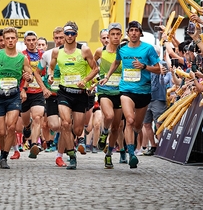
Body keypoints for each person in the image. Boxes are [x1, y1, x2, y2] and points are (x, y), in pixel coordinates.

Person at [99, 21, 161, 169]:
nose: (133, 33)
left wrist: (144, 66)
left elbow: (158, 69)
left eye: (136, 30)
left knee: (138, 126)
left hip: (144, 92)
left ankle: (130, 147)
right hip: (126, 90)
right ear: (128, 33)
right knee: (129, 120)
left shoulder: (148, 49)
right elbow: (115, 62)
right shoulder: (122, 49)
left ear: (140, 33)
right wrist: (107, 76)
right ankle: (131, 154)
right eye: (131, 30)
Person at [48, 21, 98, 170]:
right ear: (63, 34)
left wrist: (85, 80)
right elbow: (51, 67)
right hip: (64, 92)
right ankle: (71, 156)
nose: (69, 36)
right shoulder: (57, 51)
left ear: (76, 34)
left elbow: (95, 69)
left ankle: (73, 142)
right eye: (67, 33)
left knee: (77, 129)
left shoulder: (84, 50)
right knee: (64, 123)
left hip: (80, 94)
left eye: (72, 33)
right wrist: (50, 76)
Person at [0, 27, 33, 169]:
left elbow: (30, 75)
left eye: (13, 38)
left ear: (16, 39)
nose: (10, 41)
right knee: (1, 131)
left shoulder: (22, 58)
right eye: (7, 38)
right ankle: (2, 150)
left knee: (11, 127)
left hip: (13, 96)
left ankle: (4, 156)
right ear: (3, 40)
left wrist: (26, 84)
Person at [35, 26, 67, 167]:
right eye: (57, 38)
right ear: (53, 39)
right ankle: (68, 132)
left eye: (61, 37)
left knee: (66, 125)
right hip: (52, 95)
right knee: (55, 126)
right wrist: (43, 88)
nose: (59, 40)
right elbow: (37, 72)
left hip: (68, 94)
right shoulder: (47, 54)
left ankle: (60, 156)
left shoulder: (74, 53)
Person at [94, 23, 124, 168]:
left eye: (118, 34)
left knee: (117, 128)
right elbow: (92, 66)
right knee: (109, 116)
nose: (115, 37)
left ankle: (109, 154)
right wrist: (92, 81)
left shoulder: (125, 52)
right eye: (112, 34)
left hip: (120, 91)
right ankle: (104, 132)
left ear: (121, 36)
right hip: (104, 90)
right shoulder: (100, 51)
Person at [20, 30, 46, 159]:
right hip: (24, 92)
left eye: (33, 40)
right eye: (28, 40)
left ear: (37, 41)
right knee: (25, 121)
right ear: (25, 42)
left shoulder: (43, 55)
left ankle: (34, 145)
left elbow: (46, 72)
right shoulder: (21, 55)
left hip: (38, 91)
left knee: (37, 117)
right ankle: (27, 126)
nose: (31, 43)